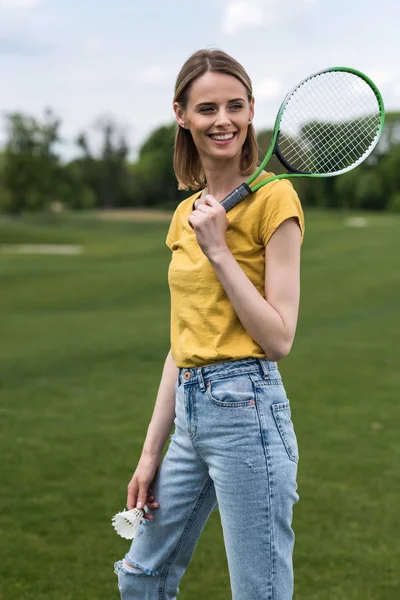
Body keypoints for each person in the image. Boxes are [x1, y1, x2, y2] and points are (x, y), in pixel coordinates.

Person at [114, 48, 305, 600]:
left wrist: (220, 250)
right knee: (141, 575)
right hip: (190, 415)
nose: (222, 120)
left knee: (258, 591)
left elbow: (279, 338)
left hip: (247, 408)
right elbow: (182, 344)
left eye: (235, 106)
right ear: (181, 114)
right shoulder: (186, 214)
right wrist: (151, 451)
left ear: (250, 112)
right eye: (207, 108)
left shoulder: (275, 199)